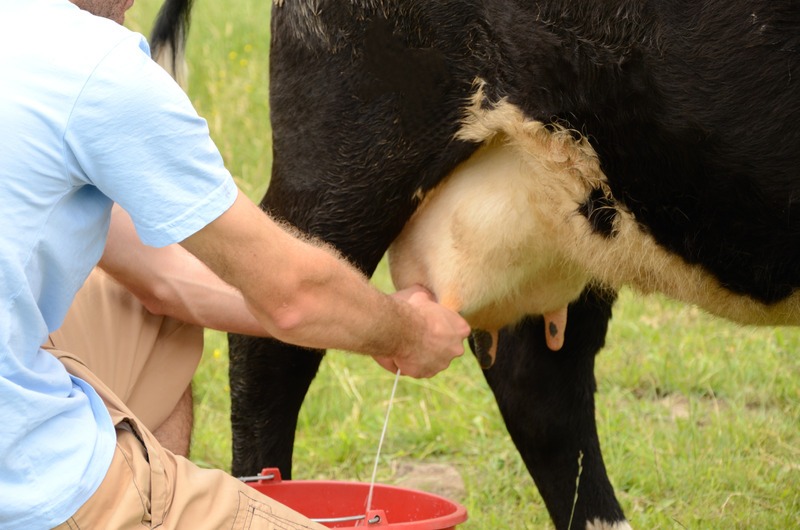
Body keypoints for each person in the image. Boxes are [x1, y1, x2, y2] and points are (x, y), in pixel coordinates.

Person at [0, 1, 471, 529]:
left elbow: (163, 277)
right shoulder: (92, 67)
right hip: (19, 481)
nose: (135, 3)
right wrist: (407, 332)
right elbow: (292, 294)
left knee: (145, 315)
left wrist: (372, 316)